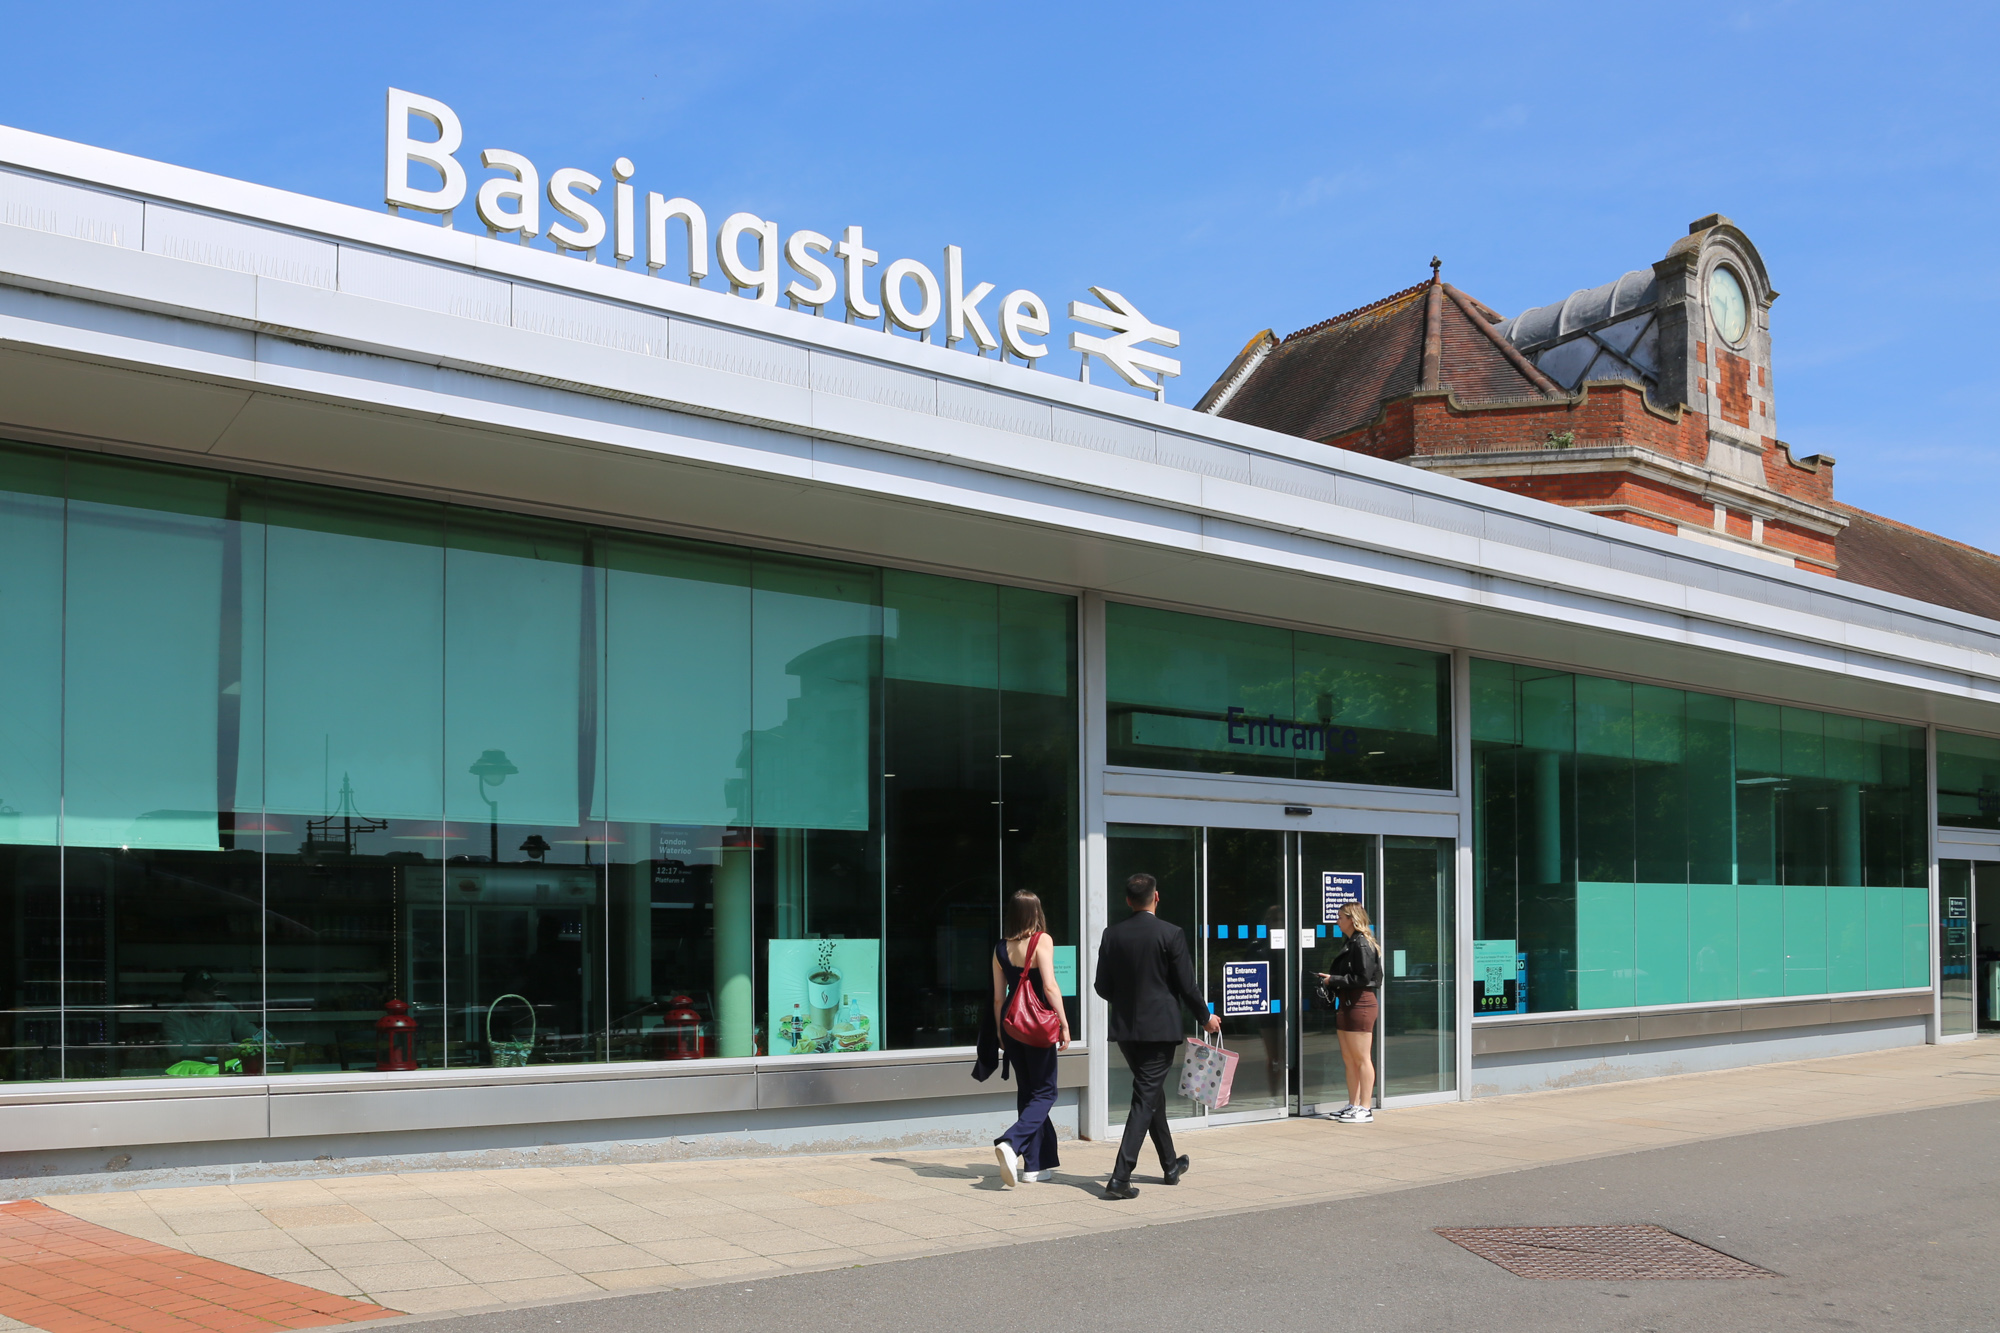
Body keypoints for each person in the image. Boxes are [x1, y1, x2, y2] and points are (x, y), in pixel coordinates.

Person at [1093, 872, 1220, 1200]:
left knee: (1151, 1096)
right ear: (1156, 897)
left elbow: (1101, 987)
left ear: (1127, 900)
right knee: (1145, 1097)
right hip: (1160, 1030)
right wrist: (1205, 1018)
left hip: (1125, 1030)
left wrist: (1126, 1003)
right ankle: (1120, 1177)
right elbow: (1186, 985)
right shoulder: (1171, 934)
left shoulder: (1112, 934)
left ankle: (1169, 1164)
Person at [990, 891, 1071, 1188]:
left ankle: (1034, 1167)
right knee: (1046, 1093)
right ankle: (1011, 1142)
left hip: (1012, 1023)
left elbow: (999, 998)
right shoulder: (1042, 940)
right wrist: (1063, 1022)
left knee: (1028, 1092)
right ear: (1035, 912)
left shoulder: (1000, 948)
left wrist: (1000, 1031)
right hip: (1037, 1025)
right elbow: (1049, 986)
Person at [1315, 902, 1383, 1123]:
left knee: (1362, 1058)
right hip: (1347, 1003)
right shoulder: (1352, 942)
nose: (1337, 921)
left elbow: (1364, 978)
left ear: (1352, 919)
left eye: (1340, 917)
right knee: (1349, 1058)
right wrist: (1331, 980)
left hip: (1360, 1004)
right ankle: (1353, 1104)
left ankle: (1365, 1108)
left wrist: (1333, 979)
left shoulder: (1362, 943)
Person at [161, 968, 257, 1065]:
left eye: (214, 989)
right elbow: (175, 1051)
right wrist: (210, 1049)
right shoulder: (174, 1017)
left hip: (227, 1068)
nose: (212, 994)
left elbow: (249, 1031)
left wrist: (267, 1041)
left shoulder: (225, 1009)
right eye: (206, 991)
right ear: (190, 995)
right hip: (191, 1072)